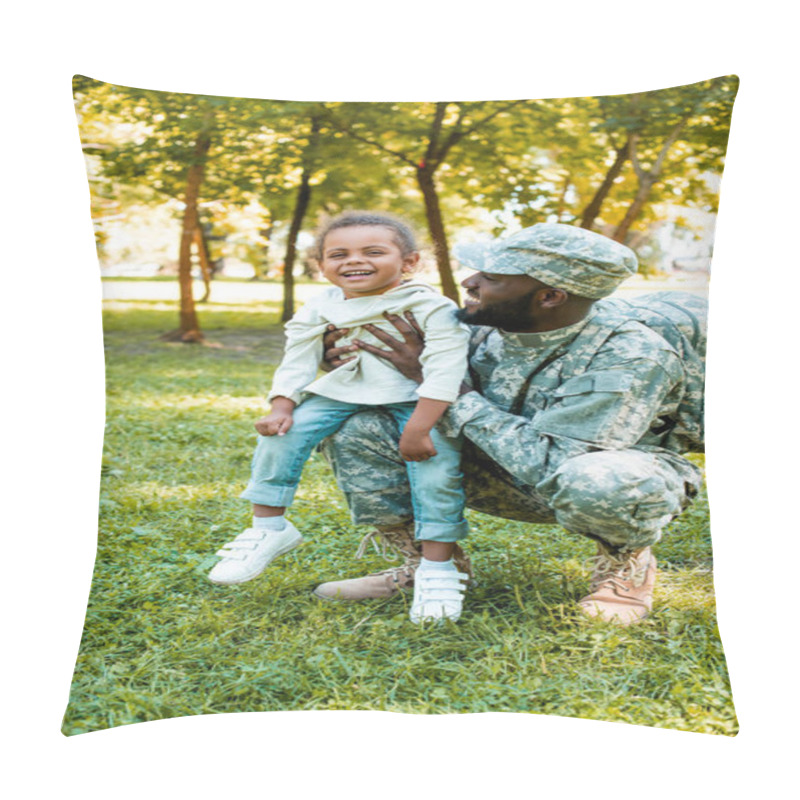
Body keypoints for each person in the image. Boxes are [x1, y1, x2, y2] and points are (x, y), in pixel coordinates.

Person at [313, 222, 705, 625]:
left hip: (590, 476)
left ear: (550, 296)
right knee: (355, 427)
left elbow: (556, 463)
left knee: (598, 478)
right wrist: (346, 360)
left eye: (492, 278)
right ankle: (431, 567)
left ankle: (625, 570)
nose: (470, 282)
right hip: (495, 463)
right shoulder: (474, 323)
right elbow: (391, 374)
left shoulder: (630, 353)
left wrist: (448, 390)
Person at [207, 211, 472, 623]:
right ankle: (269, 528)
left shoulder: (429, 306)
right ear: (322, 265)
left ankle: (437, 569)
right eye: (338, 254)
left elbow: (446, 368)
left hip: (417, 398)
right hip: (344, 390)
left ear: (409, 262)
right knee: (282, 434)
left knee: (436, 467)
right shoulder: (321, 306)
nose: (353, 260)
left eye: (373, 251)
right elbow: (298, 357)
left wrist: (421, 425)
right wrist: (281, 405)